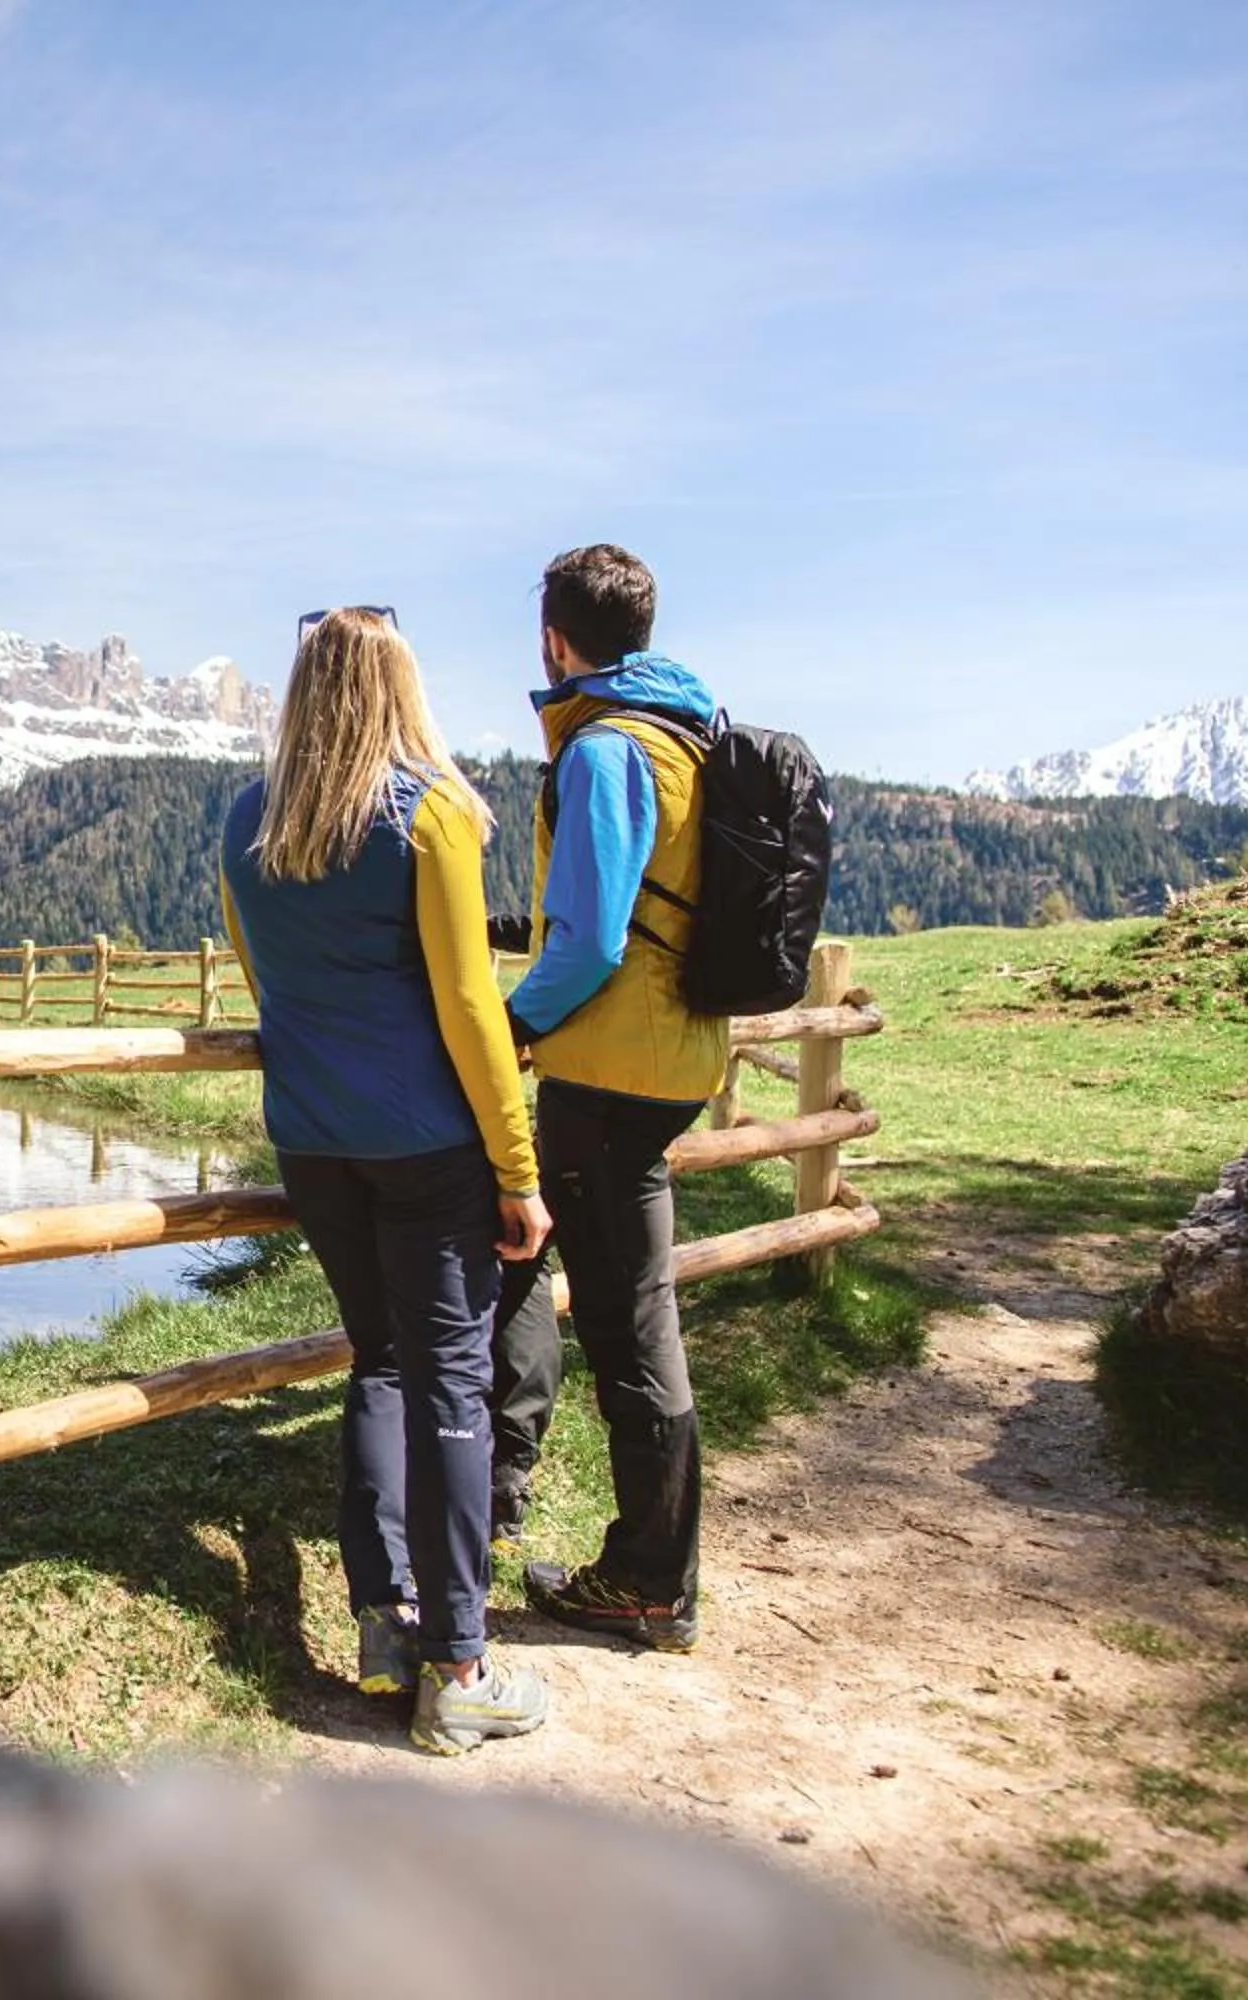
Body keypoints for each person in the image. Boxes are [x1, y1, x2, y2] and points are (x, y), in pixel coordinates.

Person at [218, 604, 555, 1756]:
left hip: (313, 1139)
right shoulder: (431, 811)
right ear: (404, 687)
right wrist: (518, 1167)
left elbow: (264, 972)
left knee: (382, 1359)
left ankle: (386, 1616)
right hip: (426, 1143)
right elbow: (470, 1007)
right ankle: (460, 1665)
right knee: (451, 1376)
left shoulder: (246, 822)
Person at [487, 544, 728, 1652]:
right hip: (673, 1058)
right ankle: (498, 1479)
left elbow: (589, 937)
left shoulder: (604, 749)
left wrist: (513, 1023)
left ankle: (647, 1581)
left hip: (608, 1072)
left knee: (632, 1328)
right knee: (522, 1255)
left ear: (553, 639)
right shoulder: (683, 732)